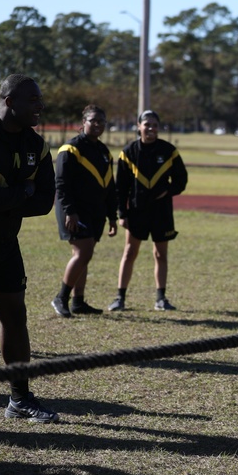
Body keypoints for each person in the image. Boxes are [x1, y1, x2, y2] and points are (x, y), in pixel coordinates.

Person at [0, 74, 58, 422]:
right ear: (10, 102)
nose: (40, 106)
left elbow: (45, 203)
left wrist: (14, 198)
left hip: (5, 242)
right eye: (33, 100)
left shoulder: (36, 144)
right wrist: (24, 191)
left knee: (15, 319)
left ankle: (19, 399)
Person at [108, 110, 187, 312]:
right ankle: (120, 298)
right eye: (147, 124)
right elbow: (120, 188)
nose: (151, 128)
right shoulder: (128, 152)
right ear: (139, 126)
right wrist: (122, 214)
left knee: (160, 254)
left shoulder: (169, 151)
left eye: (154, 125)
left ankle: (161, 298)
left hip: (161, 212)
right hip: (137, 211)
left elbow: (181, 180)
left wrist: (166, 191)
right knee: (129, 252)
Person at [51, 105, 117, 317]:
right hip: (74, 211)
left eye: (102, 121)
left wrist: (112, 216)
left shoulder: (104, 151)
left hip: (95, 211)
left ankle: (78, 302)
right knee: (83, 252)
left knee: (84, 255)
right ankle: (61, 298)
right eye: (93, 120)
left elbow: (109, 186)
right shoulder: (70, 149)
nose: (98, 124)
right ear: (83, 123)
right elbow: (61, 183)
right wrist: (70, 211)